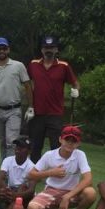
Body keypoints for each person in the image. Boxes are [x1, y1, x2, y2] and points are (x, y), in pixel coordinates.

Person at [27, 125, 96, 209]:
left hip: (72, 192)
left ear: (78, 143)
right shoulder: (49, 155)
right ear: (60, 139)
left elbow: (88, 178)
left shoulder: (80, 155)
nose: (70, 143)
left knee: (90, 193)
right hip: (52, 190)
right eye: (67, 139)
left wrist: (67, 196)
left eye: (74, 141)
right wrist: (51, 172)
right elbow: (31, 174)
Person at [27, 35, 80, 163]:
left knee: (56, 146)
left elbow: (75, 83)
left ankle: (56, 173)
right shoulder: (33, 64)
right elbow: (26, 84)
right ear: (41, 49)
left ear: (56, 49)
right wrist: (30, 106)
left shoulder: (63, 66)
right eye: (46, 47)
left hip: (55, 113)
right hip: (37, 112)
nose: (48, 50)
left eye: (51, 47)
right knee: (35, 146)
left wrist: (76, 91)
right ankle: (35, 174)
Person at [0, 37, 33, 161]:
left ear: (8, 50)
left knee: (11, 142)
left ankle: (9, 173)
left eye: (4, 48)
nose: (1, 51)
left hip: (13, 110)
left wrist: (31, 106)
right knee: (2, 142)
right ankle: (4, 170)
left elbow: (27, 85)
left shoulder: (18, 66)